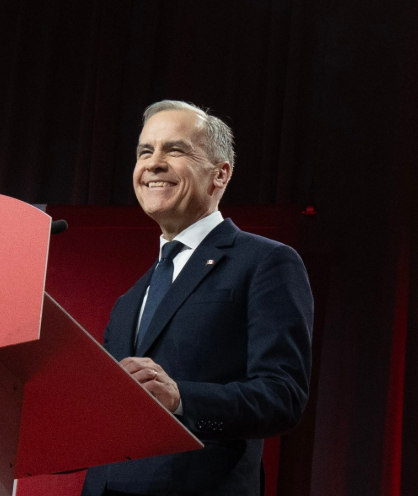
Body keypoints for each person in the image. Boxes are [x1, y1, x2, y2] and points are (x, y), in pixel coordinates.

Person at [81, 101, 314, 496]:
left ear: (220, 174)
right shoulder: (129, 301)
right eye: (144, 151)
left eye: (174, 150)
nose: (153, 163)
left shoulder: (265, 262)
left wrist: (180, 397)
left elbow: (282, 395)